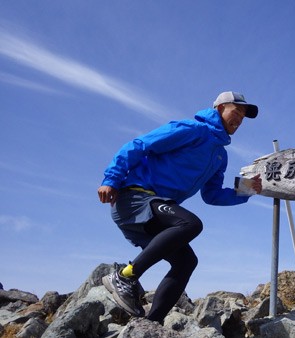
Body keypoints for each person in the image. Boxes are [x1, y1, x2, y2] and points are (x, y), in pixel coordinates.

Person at [98, 91, 262, 323]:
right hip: (135, 197)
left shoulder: (220, 156)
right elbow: (140, 145)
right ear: (219, 108)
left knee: (187, 262)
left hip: (157, 211)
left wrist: (247, 190)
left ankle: (150, 325)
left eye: (244, 116)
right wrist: (111, 179)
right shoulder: (193, 130)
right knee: (190, 224)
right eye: (236, 111)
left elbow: (212, 195)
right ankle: (125, 277)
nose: (240, 119)